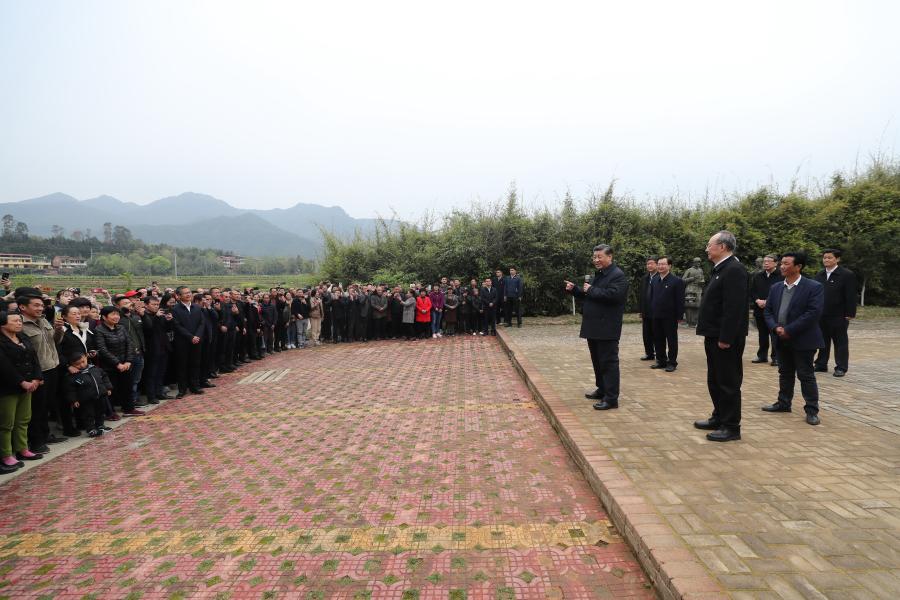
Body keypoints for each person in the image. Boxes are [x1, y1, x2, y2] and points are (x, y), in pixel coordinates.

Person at [693, 231, 749, 442]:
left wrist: (726, 337)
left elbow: (734, 308)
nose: (707, 249)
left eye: (710, 245)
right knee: (715, 379)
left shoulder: (734, 269)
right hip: (714, 334)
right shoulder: (720, 269)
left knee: (728, 381)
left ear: (723, 247)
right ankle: (719, 416)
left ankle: (731, 426)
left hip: (725, 338)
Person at [762, 252, 825, 425]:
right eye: (781, 263)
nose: (782, 266)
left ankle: (812, 410)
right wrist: (776, 328)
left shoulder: (814, 287)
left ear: (798, 267)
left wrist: (789, 330)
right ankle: (783, 403)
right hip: (781, 338)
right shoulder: (776, 287)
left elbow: (813, 313)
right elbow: (768, 311)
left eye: (786, 264)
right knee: (785, 372)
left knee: (806, 375)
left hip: (803, 339)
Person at [564, 244, 628, 410]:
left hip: (607, 327)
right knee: (598, 361)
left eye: (600, 257)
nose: (596, 260)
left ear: (610, 257)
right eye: (594, 257)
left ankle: (611, 398)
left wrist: (591, 289)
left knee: (608, 362)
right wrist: (575, 290)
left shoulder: (617, 275)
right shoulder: (599, 274)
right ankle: (602, 389)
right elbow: (589, 294)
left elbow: (614, 296)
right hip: (593, 326)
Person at [19, 289, 66, 448]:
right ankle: (36, 440)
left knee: (46, 404)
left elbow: (55, 341)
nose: (40, 308)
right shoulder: (20, 325)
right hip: (37, 371)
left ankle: (46, 435)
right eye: (36, 305)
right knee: (36, 407)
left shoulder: (44, 320)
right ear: (23, 307)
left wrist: (58, 329)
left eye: (41, 305)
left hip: (52, 366)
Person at [0, 311, 44, 474]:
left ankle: (22, 449)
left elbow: (34, 358)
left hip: (28, 384)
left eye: (20, 320)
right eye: (15, 321)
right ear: (3, 324)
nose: (19, 323)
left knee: (23, 419)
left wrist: (37, 378)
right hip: (8, 387)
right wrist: (21, 382)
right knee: (6, 423)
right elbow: (4, 366)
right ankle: (6, 454)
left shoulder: (23, 337)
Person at [814, 249, 857, 377]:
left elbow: (850, 295)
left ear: (837, 259)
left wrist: (850, 313)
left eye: (829, 257)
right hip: (822, 314)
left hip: (839, 314)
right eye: (824, 258)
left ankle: (841, 367)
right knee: (822, 340)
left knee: (840, 342)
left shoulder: (846, 274)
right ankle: (821, 364)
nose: (826, 260)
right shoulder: (820, 274)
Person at [94, 306, 143, 416]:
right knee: (111, 389)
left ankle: (129, 409)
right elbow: (102, 349)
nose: (116, 317)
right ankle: (110, 412)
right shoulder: (99, 330)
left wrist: (128, 361)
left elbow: (129, 344)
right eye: (113, 314)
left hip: (125, 363)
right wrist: (117, 363)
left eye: (117, 314)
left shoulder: (121, 328)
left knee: (127, 387)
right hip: (109, 366)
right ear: (104, 317)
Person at [649, 256, 685, 372]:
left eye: (663, 264)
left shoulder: (677, 281)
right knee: (658, 339)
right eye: (659, 264)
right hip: (656, 315)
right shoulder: (654, 280)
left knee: (671, 340)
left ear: (669, 266)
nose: (660, 266)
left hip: (670, 316)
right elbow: (652, 297)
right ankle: (661, 360)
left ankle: (672, 362)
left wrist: (680, 316)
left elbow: (680, 300)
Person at [64, 352, 112, 437]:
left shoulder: (95, 368)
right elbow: (70, 390)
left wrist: (108, 388)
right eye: (77, 364)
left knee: (100, 411)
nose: (81, 365)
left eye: (83, 362)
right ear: (72, 365)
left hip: (100, 395)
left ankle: (100, 425)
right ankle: (91, 429)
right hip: (86, 400)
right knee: (88, 414)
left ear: (86, 358)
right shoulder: (72, 376)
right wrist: (74, 400)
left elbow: (104, 377)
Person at [171, 286, 205, 398]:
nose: (188, 294)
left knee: (195, 364)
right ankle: (182, 389)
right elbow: (177, 326)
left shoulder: (197, 307)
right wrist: (191, 337)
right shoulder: (175, 309)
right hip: (182, 342)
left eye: (189, 292)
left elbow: (202, 323)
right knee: (182, 366)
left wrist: (197, 336)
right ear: (178, 296)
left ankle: (195, 386)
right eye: (185, 293)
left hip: (197, 341)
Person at [750, 254, 783, 366]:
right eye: (764, 261)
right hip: (760, 309)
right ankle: (762, 355)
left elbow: (781, 291)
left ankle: (776, 357)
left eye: (769, 261)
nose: (766, 263)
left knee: (775, 334)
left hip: (774, 310)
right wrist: (757, 300)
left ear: (776, 263)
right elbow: (752, 291)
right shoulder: (758, 276)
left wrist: (767, 301)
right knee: (762, 334)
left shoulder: (781, 276)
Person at [638, 257, 658, 360]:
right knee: (646, 333)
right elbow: (641, 295)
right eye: (648, 264)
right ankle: (649, 353)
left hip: (657, 311)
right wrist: (641, 310)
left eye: (651, 263)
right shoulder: (645, 278)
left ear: (657, 264)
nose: (649, 266)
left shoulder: (660, 277)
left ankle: (660, 354)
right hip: (646, 311)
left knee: (657, 333)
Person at [682, 258, 705, 327]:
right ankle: (689, 322)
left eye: (699, 262)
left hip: (698, 289)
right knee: (689, 305)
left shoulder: (700, 270)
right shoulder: (689, 270)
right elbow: (683, 280)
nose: (698, 263)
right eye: (697, 262)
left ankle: (695, 322)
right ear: (693, 263)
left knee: (697, 306)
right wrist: (692, 278)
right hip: (690, 289)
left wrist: (702, 281)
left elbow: (702, 278)